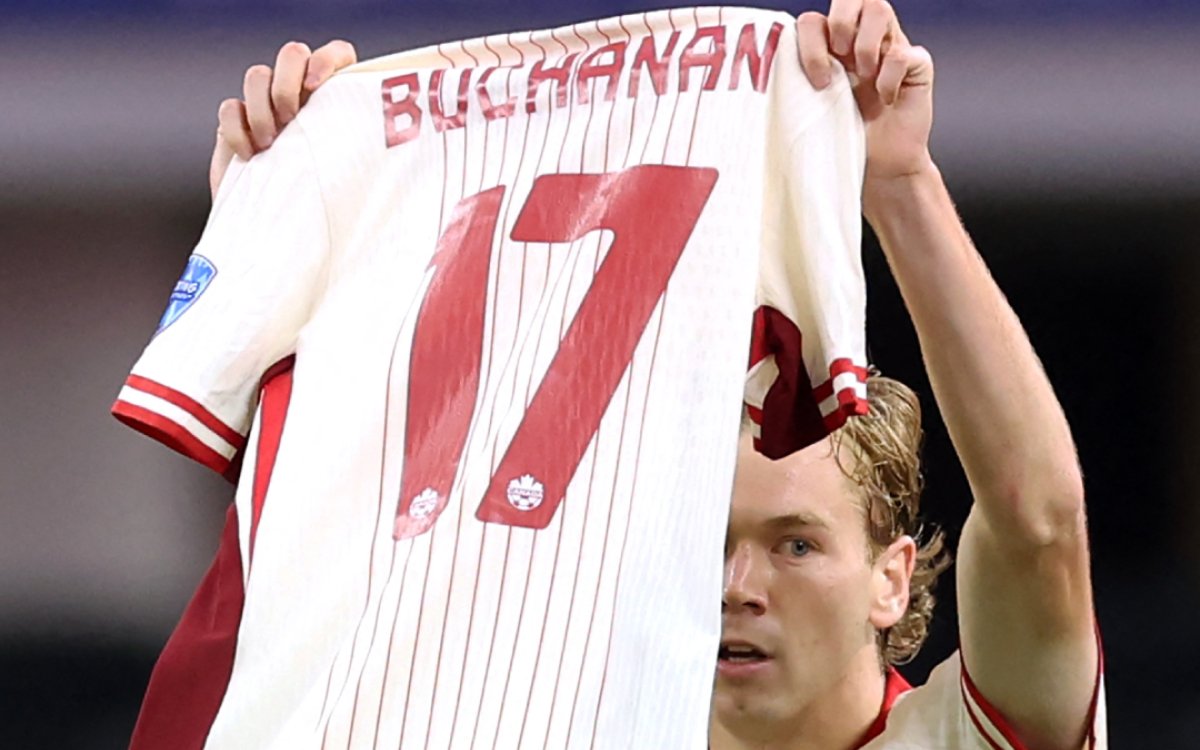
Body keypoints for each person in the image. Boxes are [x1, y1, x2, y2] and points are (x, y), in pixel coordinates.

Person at [205, 1, 1106, 748]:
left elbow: (1038, 521)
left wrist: (900, 182)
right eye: (704, 541)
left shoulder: (953, 737)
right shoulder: (558, 722)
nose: (736, 585)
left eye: (796, 544)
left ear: (892, 579)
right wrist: (293, 216)